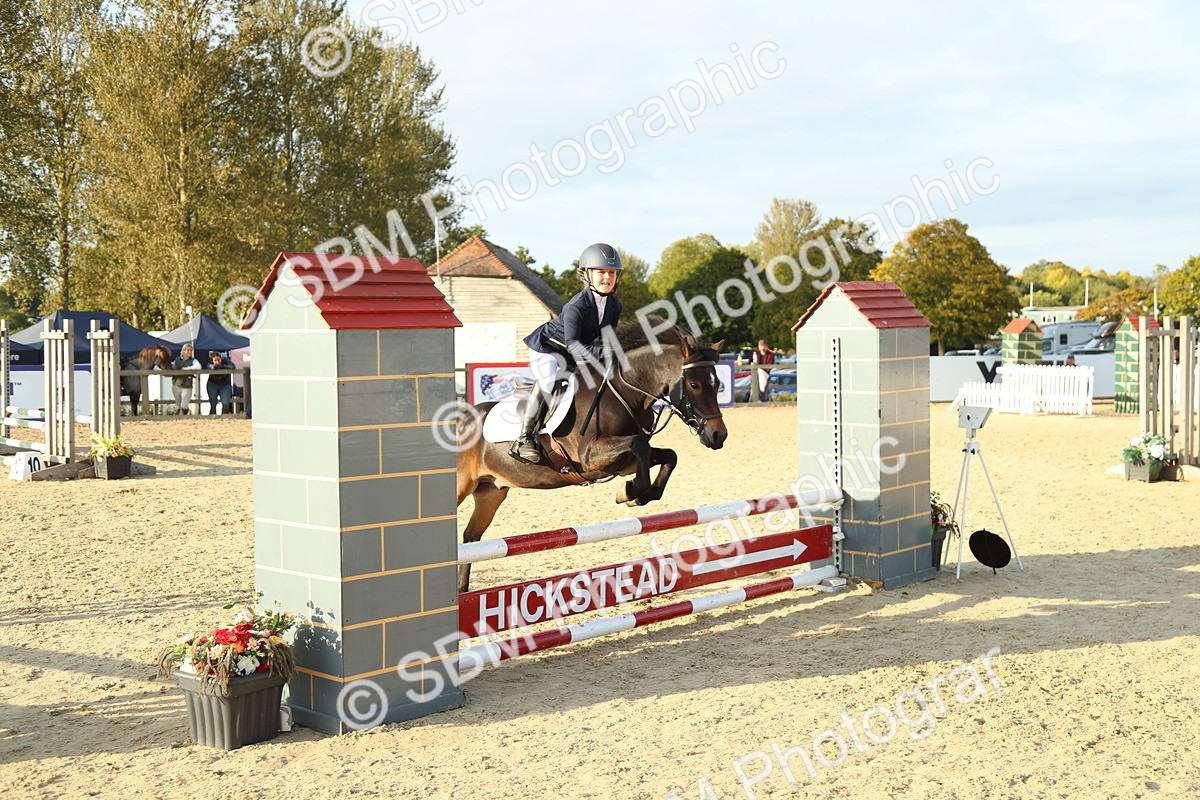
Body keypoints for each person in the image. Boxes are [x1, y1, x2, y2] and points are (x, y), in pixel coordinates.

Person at [516, 242, 624, 462]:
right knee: (548, 382)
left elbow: (608, 340)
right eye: (601, 272)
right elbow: (573, 344)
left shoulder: (614, 305)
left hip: (572, 352)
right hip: (547, 347)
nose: (607, 277)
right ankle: (525, 437)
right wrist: (603, 355)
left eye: (611, 273)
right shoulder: (577, 305)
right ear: (587, 275)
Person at [171, 343, 202, 414]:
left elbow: (198, 367)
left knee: (184, 405)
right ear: (183, 351)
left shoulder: (193, 360)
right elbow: (172, 366)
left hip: (187, 385)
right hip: (176, 384)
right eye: (188, 350)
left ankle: (184, 415)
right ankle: (179, 417)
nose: (190, 352)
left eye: (191, 350)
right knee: (178, 405)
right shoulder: (177, 360)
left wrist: (186, 369)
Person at [205, 350, 234, 415]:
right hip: (212, 384)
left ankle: (224, 416)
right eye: (215, 360)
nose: (217, 362)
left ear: (221, 358)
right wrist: (222, 367)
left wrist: (223, 366)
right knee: (213, 403)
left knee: (226, 403)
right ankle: (213, 417)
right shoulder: (209, 363)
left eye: (219, 360)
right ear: (212, 360)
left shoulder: (225, 360)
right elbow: (212, 367)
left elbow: (232, 366)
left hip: (224, 384)